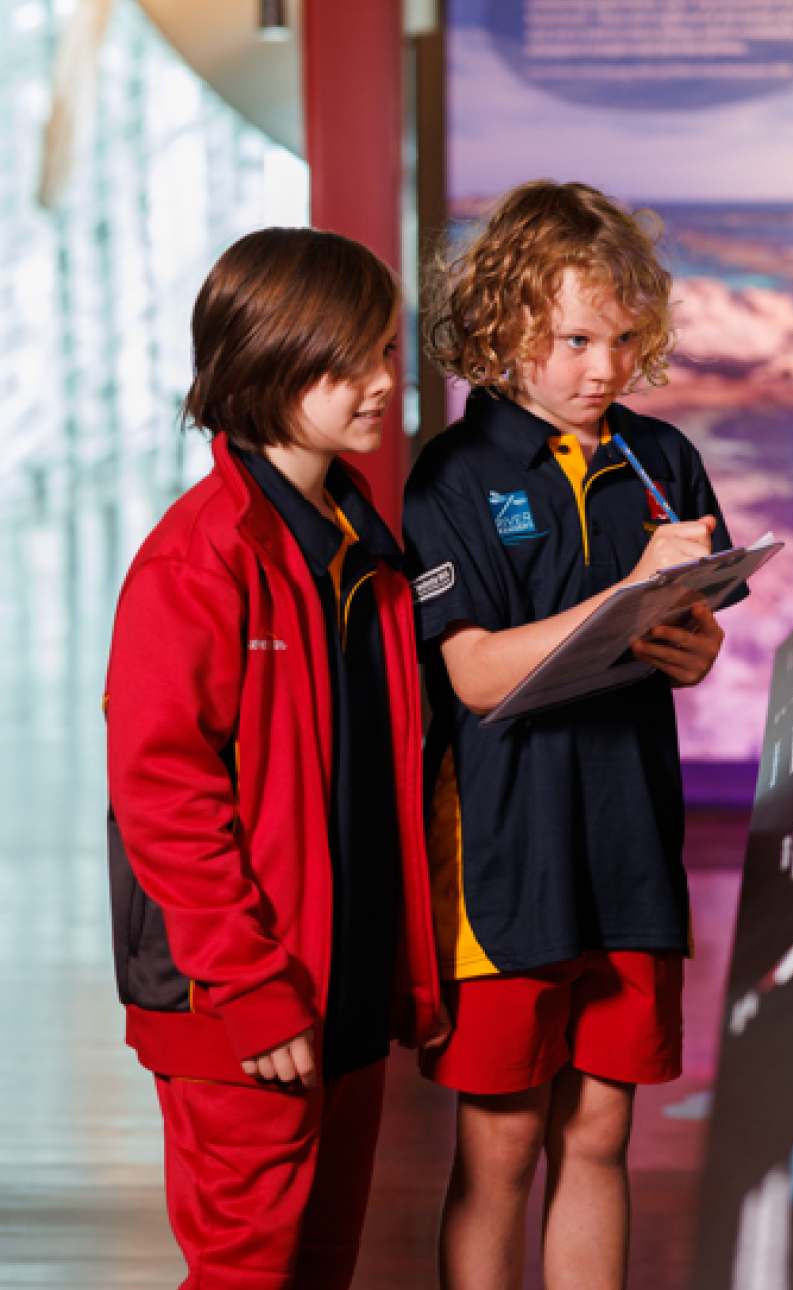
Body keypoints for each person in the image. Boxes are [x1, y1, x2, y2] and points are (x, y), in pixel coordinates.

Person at [403, 181, 747, 1290]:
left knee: (600, 1137)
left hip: (631, 844)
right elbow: (471, 672)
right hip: (509, 853)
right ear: (499, 333)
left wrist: (695, 648)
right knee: (498, 1148)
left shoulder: (663, 459)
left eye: (622, 339)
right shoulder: (453, 477)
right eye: (574, 340)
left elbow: (688, 630)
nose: (604, 368)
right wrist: (625, 594)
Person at [105, 227, 447, 1290]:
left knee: (321, 1267)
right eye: (347, 360)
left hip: (338, 982)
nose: (382, 383)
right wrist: (251, 989)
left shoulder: (362, 543)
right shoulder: (195, 560)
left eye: (387, 352)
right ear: (265, 360)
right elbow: (162, 798)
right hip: (239, 1003)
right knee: (248, 1271)